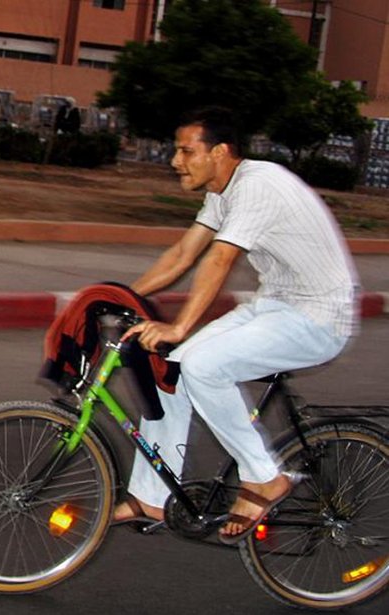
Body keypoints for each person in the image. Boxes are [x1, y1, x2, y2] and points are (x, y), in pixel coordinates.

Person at [115, 107, 359, 543]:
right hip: (276, 306)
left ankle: (263, 478)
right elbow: (183, 255)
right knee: (170, 368)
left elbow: (221, 258)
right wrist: (116, 297)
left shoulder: (257, 186)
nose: (175, 161)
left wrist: (179, 326)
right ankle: (152, 496)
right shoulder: (222, 191)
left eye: (186, 151)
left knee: (204, 366)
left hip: (318, 317)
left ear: (220, 152)